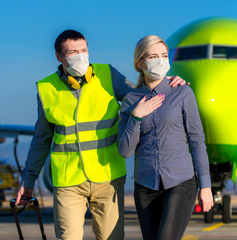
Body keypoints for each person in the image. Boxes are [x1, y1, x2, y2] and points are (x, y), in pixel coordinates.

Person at [15, 30, 186, 240]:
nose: (81, 56)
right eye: (73, 52)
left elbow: (143, 95)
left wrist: (167, 82)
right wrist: (28, 179)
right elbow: (41, 140)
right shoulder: (46, 89)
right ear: (60, 57)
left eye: (84, 50)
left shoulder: (108, 75)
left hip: (108, 177)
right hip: (68, 182)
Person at [117, 35, 213, 240]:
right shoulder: (131, 100)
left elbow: (197, 140)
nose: (160, 61)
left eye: (164, 55)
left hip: (181, 181)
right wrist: (136, 116)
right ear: (140, 63)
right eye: (153, 56)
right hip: (145, 186)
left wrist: (205, 186)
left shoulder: (183, 92)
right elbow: (125, 151)